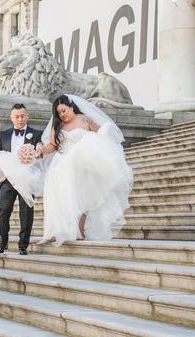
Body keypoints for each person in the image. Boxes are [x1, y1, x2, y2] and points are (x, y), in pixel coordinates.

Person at [31, 94, 134, 245]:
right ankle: (52, 232)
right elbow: (52, 146)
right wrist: (40, 151)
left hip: (83, 164)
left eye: (64, 111)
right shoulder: (57, 125)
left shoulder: (84, 119)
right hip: (61, 164)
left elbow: (100, 136)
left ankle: (79, 231)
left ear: (71, 107)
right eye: (59, 113)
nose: (62, 115)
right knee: (56, 196)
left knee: (81, 198)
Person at [0, 103, 44, 254]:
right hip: (8, 180)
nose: (20, 119)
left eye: (23, 116)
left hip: (26, 179)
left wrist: (37, 150)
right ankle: (3, 242)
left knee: (26, 212)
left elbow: (40, 151)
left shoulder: (36, 134)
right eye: (17, 116)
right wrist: (0, 159)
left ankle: (23, 246)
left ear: (27, 116)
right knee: (4, 211)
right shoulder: (4, 134)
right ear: (11, 118)